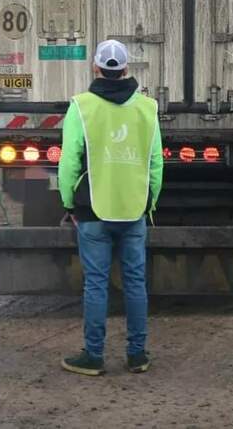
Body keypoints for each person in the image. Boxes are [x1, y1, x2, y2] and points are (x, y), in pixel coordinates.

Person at [57, 39, 163, 376]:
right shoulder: (148, 108)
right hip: (134, 209)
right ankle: (137, 355)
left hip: (92, 209)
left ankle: (93, 355)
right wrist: (150, 203)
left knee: (96, 284)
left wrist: (68, 202)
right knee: (135, 282)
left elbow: (69, 161)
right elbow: (156, 164)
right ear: (127, 69)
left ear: (96, 68)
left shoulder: (81, 107)